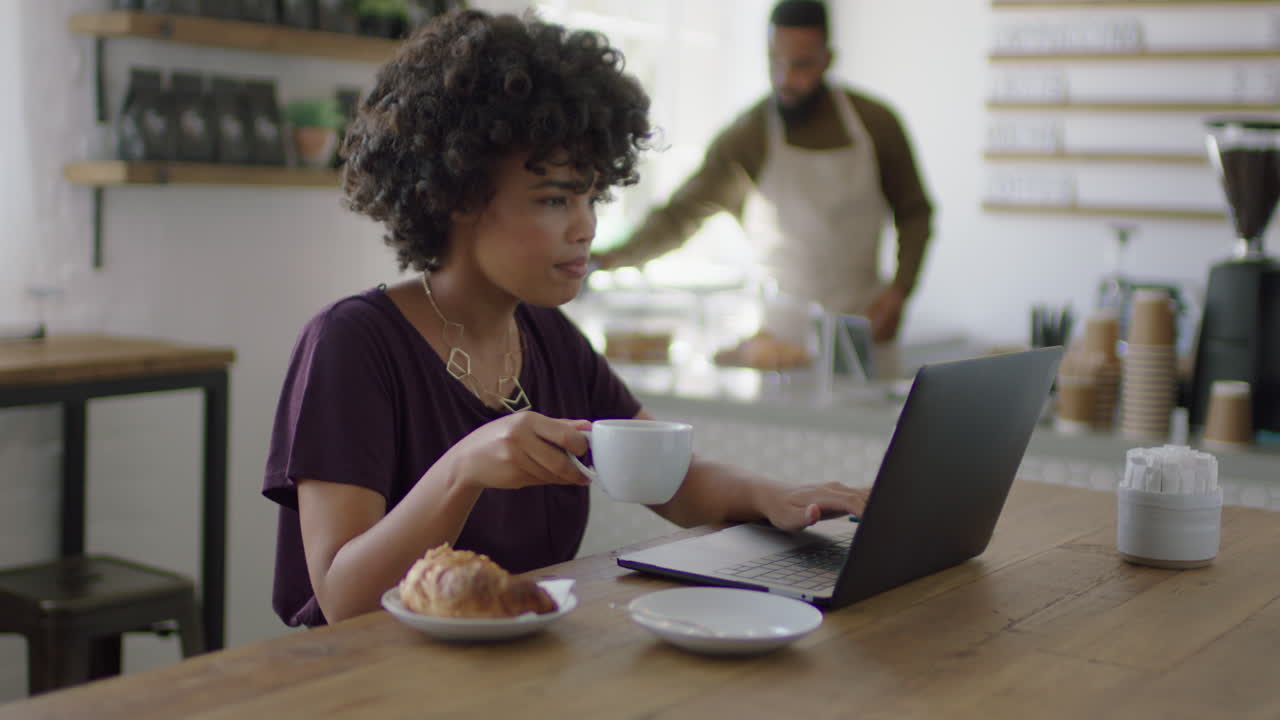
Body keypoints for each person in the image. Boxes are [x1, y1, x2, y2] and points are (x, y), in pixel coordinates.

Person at [262, 8, 868, 628]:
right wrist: (462, 470)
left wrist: (778, 497)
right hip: (367, 673)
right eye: (554, 199)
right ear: (458, 197)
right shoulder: (354, 342)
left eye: (590, 197)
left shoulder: (549, 338)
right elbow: (344, 600)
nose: (586, 227)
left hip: (517, 665)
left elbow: (673, 479)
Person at [594, 0, 932, 378]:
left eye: (801, 65)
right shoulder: (749, 137)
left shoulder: (876, 124)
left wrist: (900, 291)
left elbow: (915, 213)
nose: (786, 78)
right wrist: (610, 258)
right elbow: (681, 216)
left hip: (863, 328)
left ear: (828, 59)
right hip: (780, 341)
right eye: (776, 62)